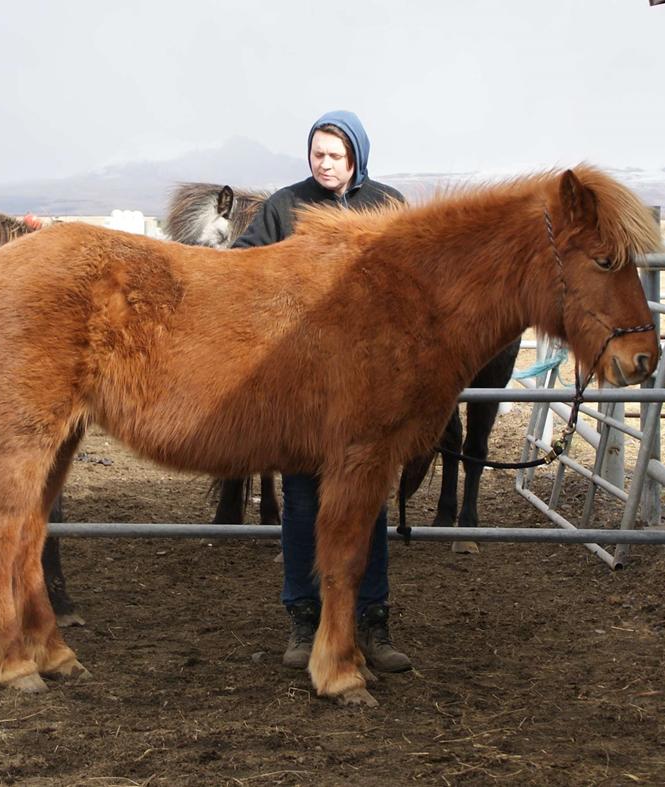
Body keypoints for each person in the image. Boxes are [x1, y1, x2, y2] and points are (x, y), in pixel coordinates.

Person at [231, 110, 412, 673]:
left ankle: (372, 622)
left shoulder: (388, 204)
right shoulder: (285, 205)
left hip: (368, 390)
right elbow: (242, 267)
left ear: (356, 155)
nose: (325, 163)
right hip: (304, 389)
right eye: (317, 154)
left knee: (368, 505)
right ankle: (302, 620)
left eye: (335, 154)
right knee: (302, 502)